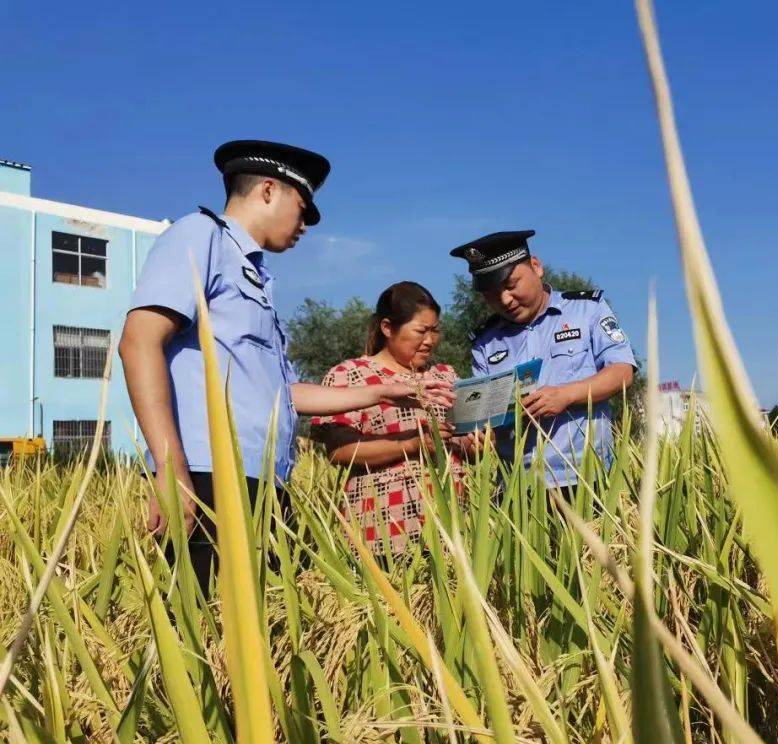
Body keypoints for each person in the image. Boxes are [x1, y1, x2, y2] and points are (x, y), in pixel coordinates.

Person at [118, 141, 452, 590]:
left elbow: (287, 394)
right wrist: (170, 465)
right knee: (208, 634)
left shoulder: (257, 277)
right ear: (269, 190)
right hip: (209, 477)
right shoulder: (200, 236)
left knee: (272, 629)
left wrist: (384, 391)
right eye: (302, 207)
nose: (305, 226)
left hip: (263, 481)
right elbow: (139, 341)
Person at [450, 230, 636, 493]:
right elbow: (485, 423)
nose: (505, 300)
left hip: (586, 479)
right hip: (518, 489)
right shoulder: (485, 342)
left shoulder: (588, 310)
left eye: (511, 285)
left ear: (536, 267)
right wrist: (477, 440)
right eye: (491, 293)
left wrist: (566, 395)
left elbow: (622, 372)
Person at [311, 282, 468, 554]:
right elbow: (340, 451)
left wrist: (473, 442)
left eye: (435, 331)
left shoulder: (445, 376)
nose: (430, 340)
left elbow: (462, 440)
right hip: (383, 532)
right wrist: (412, 444)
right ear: (387, 328)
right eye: (421, 331)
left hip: (452, 532)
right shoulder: (351, 375)